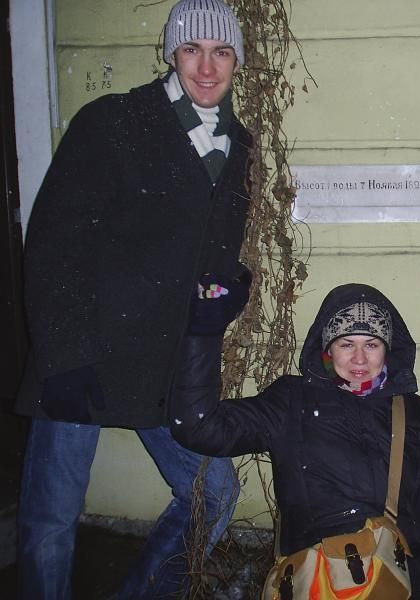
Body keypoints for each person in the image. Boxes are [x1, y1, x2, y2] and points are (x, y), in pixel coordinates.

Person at [15, 1, 253, 597]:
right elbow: (55, 243)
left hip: (161, 365)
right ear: (172, 53)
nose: (206, 67)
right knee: (51, 522)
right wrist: (64, 358)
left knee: (214, 493)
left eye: (221, 52)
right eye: (192, 49)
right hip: (82, 353)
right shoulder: (112, 121)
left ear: (237, 62)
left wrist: (228, 289)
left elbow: (217, 247)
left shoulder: (237, 143)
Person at [169, 283, 420, 599]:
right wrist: (203, 333)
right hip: (321, 579)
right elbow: (200, 428)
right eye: (346, 343)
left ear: (388, 349)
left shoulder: (410, 411)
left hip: (400, 576)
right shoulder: (291, 401)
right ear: (327, 347)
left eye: (372, 344)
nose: (359, 359)